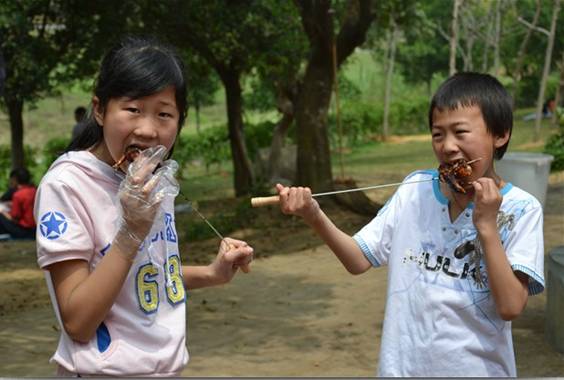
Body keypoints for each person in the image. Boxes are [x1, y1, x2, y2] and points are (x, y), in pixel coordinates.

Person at [275, 72, 545, 377]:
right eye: (437, 134)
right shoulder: (414, 190)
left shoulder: (522, 210)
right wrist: (314, 215)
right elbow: (358, 259)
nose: (448, 146)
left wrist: (486, 226)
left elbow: (510, 306)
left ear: (501, 134)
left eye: (460, 132)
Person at [35, 36, 253, 377]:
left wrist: (212, 274)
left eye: (164, 114)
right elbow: (77, 321)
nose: (149, 129)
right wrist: (132, 230)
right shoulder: (67, 185)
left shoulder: (151, 180)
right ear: (99, 109)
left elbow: (140, 278)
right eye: (133, 109)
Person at [0, 168, 36, 239]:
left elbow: (15, 219)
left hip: (23, 231)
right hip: (35, 229)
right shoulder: (34, 191)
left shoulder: (18, 195)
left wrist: (2, 211)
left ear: (14, 179)